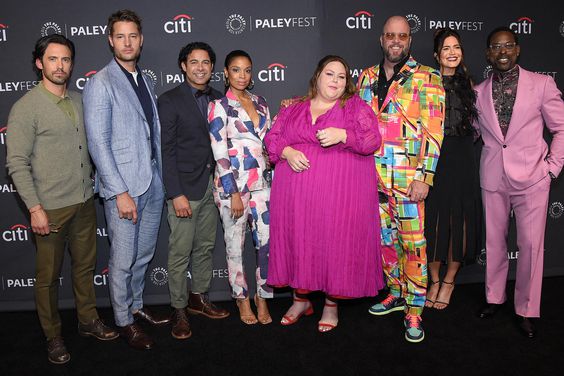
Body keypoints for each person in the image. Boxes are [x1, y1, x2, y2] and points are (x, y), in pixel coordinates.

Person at [6, 34, 118, 364]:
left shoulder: (80, 101)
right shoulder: (26, 107)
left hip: (84, 202)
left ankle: (87, 320)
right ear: (39, 63)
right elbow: (16, 162)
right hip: (49, 209)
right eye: (53, 59)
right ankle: (53, 336)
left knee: (84, 268)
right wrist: (35, 208)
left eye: (66, 59)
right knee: (47, 279)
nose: (60, 66)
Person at [265, 55, 383, 333]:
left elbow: (372, 140)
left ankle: (331, 305)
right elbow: (272, 138)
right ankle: (300, 301)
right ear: (317, 77)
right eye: (330, 74)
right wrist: (286, 151)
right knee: (299, 243)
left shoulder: (355, 108)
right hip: (295, 199)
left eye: (342, 77)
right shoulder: (294, 108)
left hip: (337, 198)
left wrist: (344, 135)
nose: (336, 81)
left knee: (333, 245)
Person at [83, 9, 169, 350]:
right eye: (120, 36)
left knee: (144, 253)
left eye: (133, 36)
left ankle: (135, 306)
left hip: (153, 183)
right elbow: (98, 144)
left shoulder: (143, 79)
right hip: (125, 188)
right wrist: (119, 191)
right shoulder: (100, 82)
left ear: (141, 39)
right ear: (110, 40)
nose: (127, 42)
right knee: (122, 258)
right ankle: (123, 321)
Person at [357, 15, 445, 343]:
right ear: (382, 39)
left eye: (402, 36)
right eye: (390, 35)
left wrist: (426, 176)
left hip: (410, 182)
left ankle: (415, 310)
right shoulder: (365, 78)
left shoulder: (427, 77)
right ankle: (395, 293)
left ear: (409, 40)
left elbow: (434, 132)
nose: (396, 41)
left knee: (413, 246)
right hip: (372, 181)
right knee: (385, 243)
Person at [475, 27, 564, 338]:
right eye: (496, 47)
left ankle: (526, 308)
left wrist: (552, 168)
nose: (502, 51)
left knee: (529, 246)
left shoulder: (541, 85)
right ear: (488, 53)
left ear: (517, 50)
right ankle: (494, 298)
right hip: (493, 177)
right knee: (494, 243)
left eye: (508, 46)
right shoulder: (477, 92)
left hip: (533, 179)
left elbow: (561, 128)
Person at [158, 42, 229, 340]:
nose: (200, 67)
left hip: (212, 187)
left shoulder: (220, 98)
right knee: (179, 252)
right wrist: (175, 193)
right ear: (183, 66)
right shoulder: (169, 100)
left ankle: (199, 298)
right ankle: (179, 309)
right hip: (184, 191)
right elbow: (166, 150)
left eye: (206, 62)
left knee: (204, 248)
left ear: (212, 67)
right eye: (194, 62)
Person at [208, 50, 273, 325]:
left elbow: (269, 141)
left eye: (247, 70)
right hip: (232, 188)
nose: (242, 75)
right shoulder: (218, 106)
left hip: (262, 184)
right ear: (226, 72)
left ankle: (263, 298)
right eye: (236, 70)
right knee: (235, 246)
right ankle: (241, 299)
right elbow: (219, 152)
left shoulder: (261, 102)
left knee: (266, 245)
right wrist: (233, 191)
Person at [424, 29, 481, 310]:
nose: (452, 52)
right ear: (436, 55)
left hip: (463, 157)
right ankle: (433, 279)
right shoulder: (425, 82)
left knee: (460, 219)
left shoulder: (472, 86)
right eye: (445, 48)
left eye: (456, 47)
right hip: (435, 157)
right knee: (434, 221)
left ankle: (449, 281)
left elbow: (481, 129)